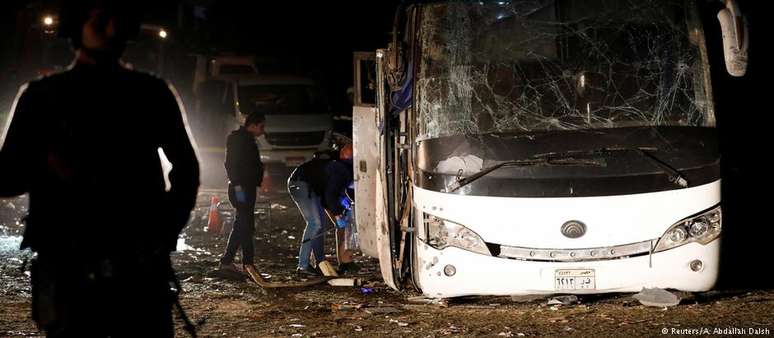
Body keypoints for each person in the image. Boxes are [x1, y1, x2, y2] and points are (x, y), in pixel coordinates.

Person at [0, 1, 200, 337]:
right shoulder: (41, 97)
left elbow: (186, 170)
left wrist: (164, 231)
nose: (110, 28)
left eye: (116, 18)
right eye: (100, 19)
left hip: (137, 262)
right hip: (68, 262)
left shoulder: (151, 93)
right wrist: (47, 164)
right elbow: (7, 177)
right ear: (76, 26)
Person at [288, 143, 356, 276]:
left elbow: (329, 195)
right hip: (302, 184)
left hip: (306, 185)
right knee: (315, 224)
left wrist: (338, 212)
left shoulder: (336, 165)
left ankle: (320, 263)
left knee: (319, 226)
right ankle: (303, 266)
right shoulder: (342, 170)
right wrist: (337, 215)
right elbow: (330, 194)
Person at [219, 111, 265, 279]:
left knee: (244, 224)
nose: (263, 130)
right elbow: (230, 163)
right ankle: (245, 263)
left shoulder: (247, 139)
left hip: (246, 188)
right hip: (241, 189)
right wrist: (237, 185)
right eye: (261, 126)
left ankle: (233, 262)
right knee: (245, 224)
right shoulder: (239, 139)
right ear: (252, 125)